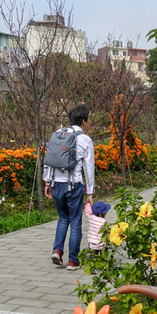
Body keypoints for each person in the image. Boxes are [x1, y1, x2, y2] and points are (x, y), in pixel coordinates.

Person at [43, 105, 95, 271]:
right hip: (73, 185)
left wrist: (47, 182)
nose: (89, 122)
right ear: (83, 121)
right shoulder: (85, 139)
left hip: (55, 184)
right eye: (89, 119)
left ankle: (57, 250)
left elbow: (50, 158)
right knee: (75, 221)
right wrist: (90, 191)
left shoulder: (58, 135)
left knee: (62, 218)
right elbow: (89, 168)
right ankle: (73, 261)